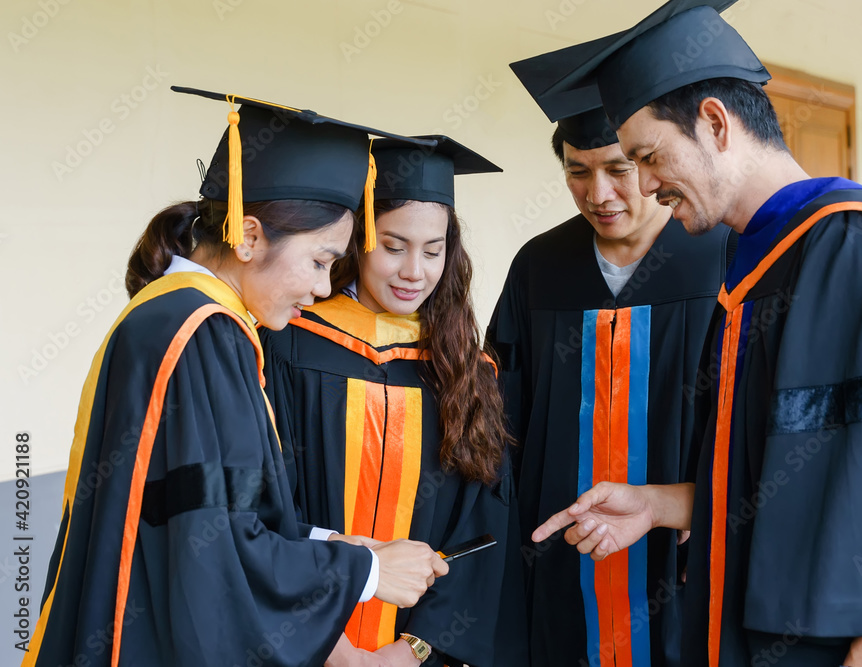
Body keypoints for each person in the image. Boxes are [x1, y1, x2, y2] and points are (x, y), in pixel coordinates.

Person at [527, 3, 862, 666]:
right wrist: (656, 504)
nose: (646, 183)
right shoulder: (753, 269)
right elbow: (786, 485)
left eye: (647, 156)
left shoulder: (854, 245)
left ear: (715, 123)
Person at [22, 87, 449, 667]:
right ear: (248, 237)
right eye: (321, 260)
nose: (324, 287)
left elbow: (203, 512)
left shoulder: (170, 315)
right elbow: (210, 551)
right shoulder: (203, 331)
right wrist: (368, 571)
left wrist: (331, 543)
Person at [487, 55, 734, 664]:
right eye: (578, 173)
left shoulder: (721, 257)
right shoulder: (539, 267)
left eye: (618, 169)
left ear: (649, 166)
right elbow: (500, 417)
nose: (599, 195)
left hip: (685, 557)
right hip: (558, 559)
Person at [260, 136, 523, 667]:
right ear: (355, 240)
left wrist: (416, 649)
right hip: (300, 644)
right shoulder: (287, 343)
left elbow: (484, 526)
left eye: (432, 250)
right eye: (394, 245)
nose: (413, 272)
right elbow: (269, 504)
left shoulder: (465, 368)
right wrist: (338, 652)